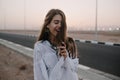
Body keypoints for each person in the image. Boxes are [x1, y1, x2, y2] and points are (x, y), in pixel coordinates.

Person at [33, 9, 79, 80]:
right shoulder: (40, 47)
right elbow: (39, 75)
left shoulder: (70, 43)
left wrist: (66, 58)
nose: (60, 25)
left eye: (62, 23)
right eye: (56, 22)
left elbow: (74, 69)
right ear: (47, 24)